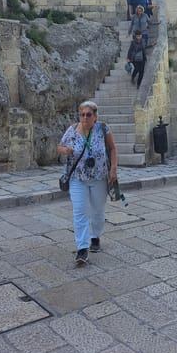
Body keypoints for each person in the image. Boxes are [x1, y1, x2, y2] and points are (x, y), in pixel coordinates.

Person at [56, 100, 118, 266]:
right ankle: (82, 248)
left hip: (99, 177)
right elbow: (59, 147)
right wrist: (66, 150)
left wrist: (113, 169)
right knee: (79, 212)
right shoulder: (72, 130)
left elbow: (112, 148)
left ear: (95, 117)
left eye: (88, 115)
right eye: (82, 114)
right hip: (78, 178)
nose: (85, 118)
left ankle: (95, 235)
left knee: (98, 210)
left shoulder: (103, 129)